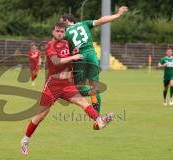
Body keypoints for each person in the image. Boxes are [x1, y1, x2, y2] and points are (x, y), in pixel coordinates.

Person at [20, 22, 114, 156]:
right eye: (57, 31)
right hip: (53, 85)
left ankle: (99, 120)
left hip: (67, 85)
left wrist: (77, 54)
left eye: (62, 31)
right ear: (53, 32)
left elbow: (72, 56)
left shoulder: (67, 44)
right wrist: (73, 57)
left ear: (65, 33)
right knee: (41, 115)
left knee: (83, 102)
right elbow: (56, 61)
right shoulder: (50, 46)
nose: (59, 33)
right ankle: (25, 141)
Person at [61, 6, 128, 113]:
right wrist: (118, 15)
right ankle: (98, 117)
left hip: (79, 58)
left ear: (67, 21)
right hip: (92, 55)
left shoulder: (64, 33)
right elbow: (101, 20)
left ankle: (92, 99)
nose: (61, 25)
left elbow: (62, 50)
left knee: (78, 89)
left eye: (62, 22)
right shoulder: (84, 23)